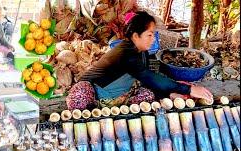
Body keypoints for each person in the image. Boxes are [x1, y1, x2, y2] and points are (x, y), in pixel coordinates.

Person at [67, 11, 213, 109]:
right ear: (136, 36)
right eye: (149, 35)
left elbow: (150, 78)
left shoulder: (142, 52)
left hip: (116, 97)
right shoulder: (125, 52)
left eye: (154, 35)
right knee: (80, 95)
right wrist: (189, 89)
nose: (153, 39)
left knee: (149, 95)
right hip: (94, 94)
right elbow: (148, 76)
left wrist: (168, 94)